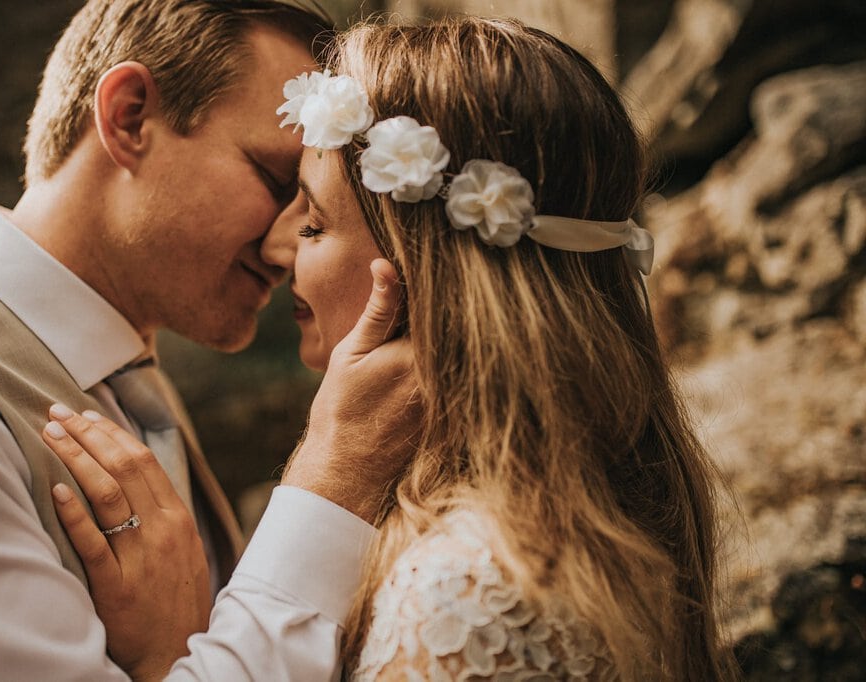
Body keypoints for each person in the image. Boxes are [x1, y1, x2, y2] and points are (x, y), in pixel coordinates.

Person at [46, 15, 741, 681]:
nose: (276, 244)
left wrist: (170, 662)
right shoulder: (571, 507)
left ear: (430, 277)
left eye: (314, 224)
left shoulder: (462, 592)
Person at [0, 2, 419, 680]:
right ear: (129, 116)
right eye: (275, 180)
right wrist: (334, 478)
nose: (287, 242)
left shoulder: (124, 376)